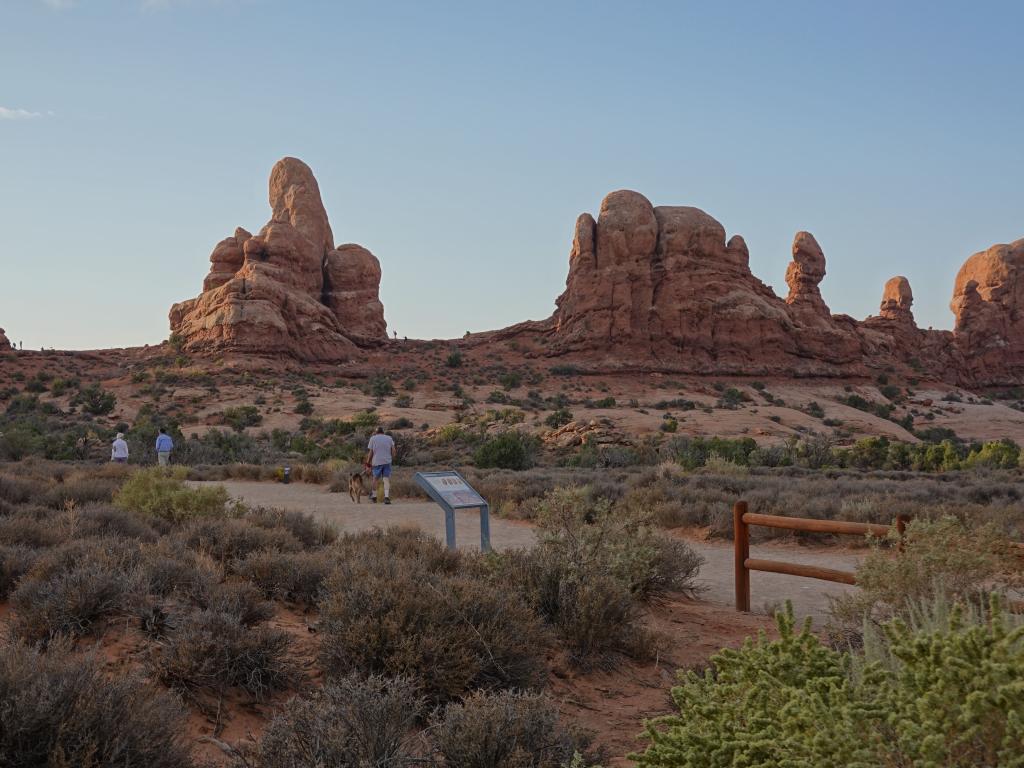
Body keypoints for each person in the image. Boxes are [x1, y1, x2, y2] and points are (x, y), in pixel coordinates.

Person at [364, 426, 396, 504]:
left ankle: (374, 496)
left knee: (375, 479)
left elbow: (371, 452)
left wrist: (368, 463)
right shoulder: (389, 438)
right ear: (383, 432)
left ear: (376, 432)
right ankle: (386, 497)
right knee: (386, 479)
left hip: (376, 462)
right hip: (387, 462)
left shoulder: (373, 438)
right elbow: (393, 450)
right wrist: (391, 458)